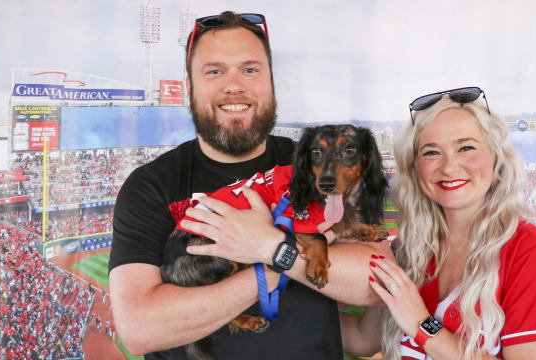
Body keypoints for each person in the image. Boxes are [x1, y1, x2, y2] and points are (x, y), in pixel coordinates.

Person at [108, 11, 391, 359]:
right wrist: (272, 264)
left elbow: (377, 280)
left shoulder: (316, 166)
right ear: (189, 86)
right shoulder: (150, 186)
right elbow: (139, 330)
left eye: (250, 69)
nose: (234, 85)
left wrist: (271, 246)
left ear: (270, 81)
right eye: (214, 71)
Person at [340, 88, 536, 360]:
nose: (449, 167)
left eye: (466, 147)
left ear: (496, 156)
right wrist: (289, 263)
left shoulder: (529, 252)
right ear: (414, 168)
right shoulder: (409, 248)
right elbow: (361, 339)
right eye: (431, 152)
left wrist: (422, 325)